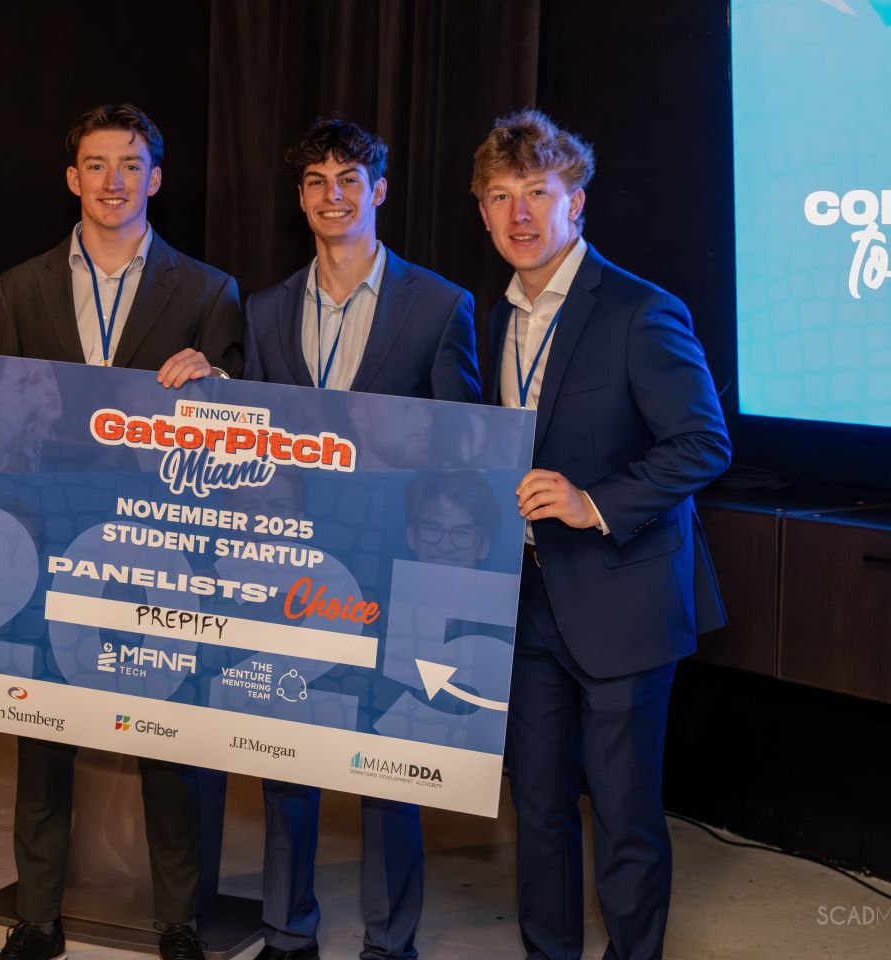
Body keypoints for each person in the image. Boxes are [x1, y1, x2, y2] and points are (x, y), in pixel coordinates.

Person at [0, 103, 243, 960]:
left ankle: (178, 920)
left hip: (158, 542)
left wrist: (219, 380)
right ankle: (38, 918)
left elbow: (238, 436)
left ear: (155, 179)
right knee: (41, 728)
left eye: (131, 165)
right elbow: (9, 422)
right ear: (71, 179)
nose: (113, 181)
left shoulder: (208, 290)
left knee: (169, 733)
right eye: (96, 165)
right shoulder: (19, 288)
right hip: (48, 537)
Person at [471, 109, 731, 960]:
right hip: (527, 602)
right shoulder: (490, 319)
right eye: (501, 197)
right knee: (538, 810)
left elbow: (703, 442)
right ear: (482, 211)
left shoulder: (638, 310)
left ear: (575, 202)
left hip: (623, 595)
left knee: (623, 817)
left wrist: (594, 502)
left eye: (538, 193)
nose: (520, 214)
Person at [243, 117, 481, 960]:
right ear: (300, 197)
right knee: (286, 755)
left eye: (350, 179)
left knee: (390, 765)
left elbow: (464, 449)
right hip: (297, 566)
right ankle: (285, 930)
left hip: (397, 569)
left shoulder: (441, 304)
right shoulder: (265, 309)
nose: (332, 195)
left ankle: (390, 942)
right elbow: (258, 436)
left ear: (379, 191)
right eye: (316, 181)